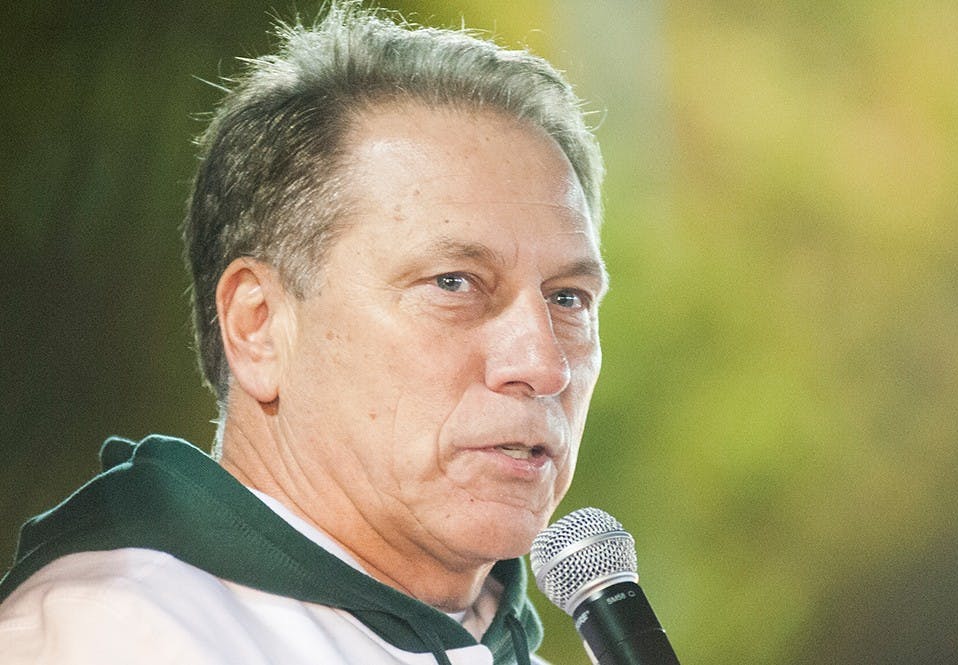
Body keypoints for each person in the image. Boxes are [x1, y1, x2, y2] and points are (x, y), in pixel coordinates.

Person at [0, 2, 606, 663]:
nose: (545, 363)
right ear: (259, 326)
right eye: (454, 282)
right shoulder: (113, 634)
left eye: (568, 298)